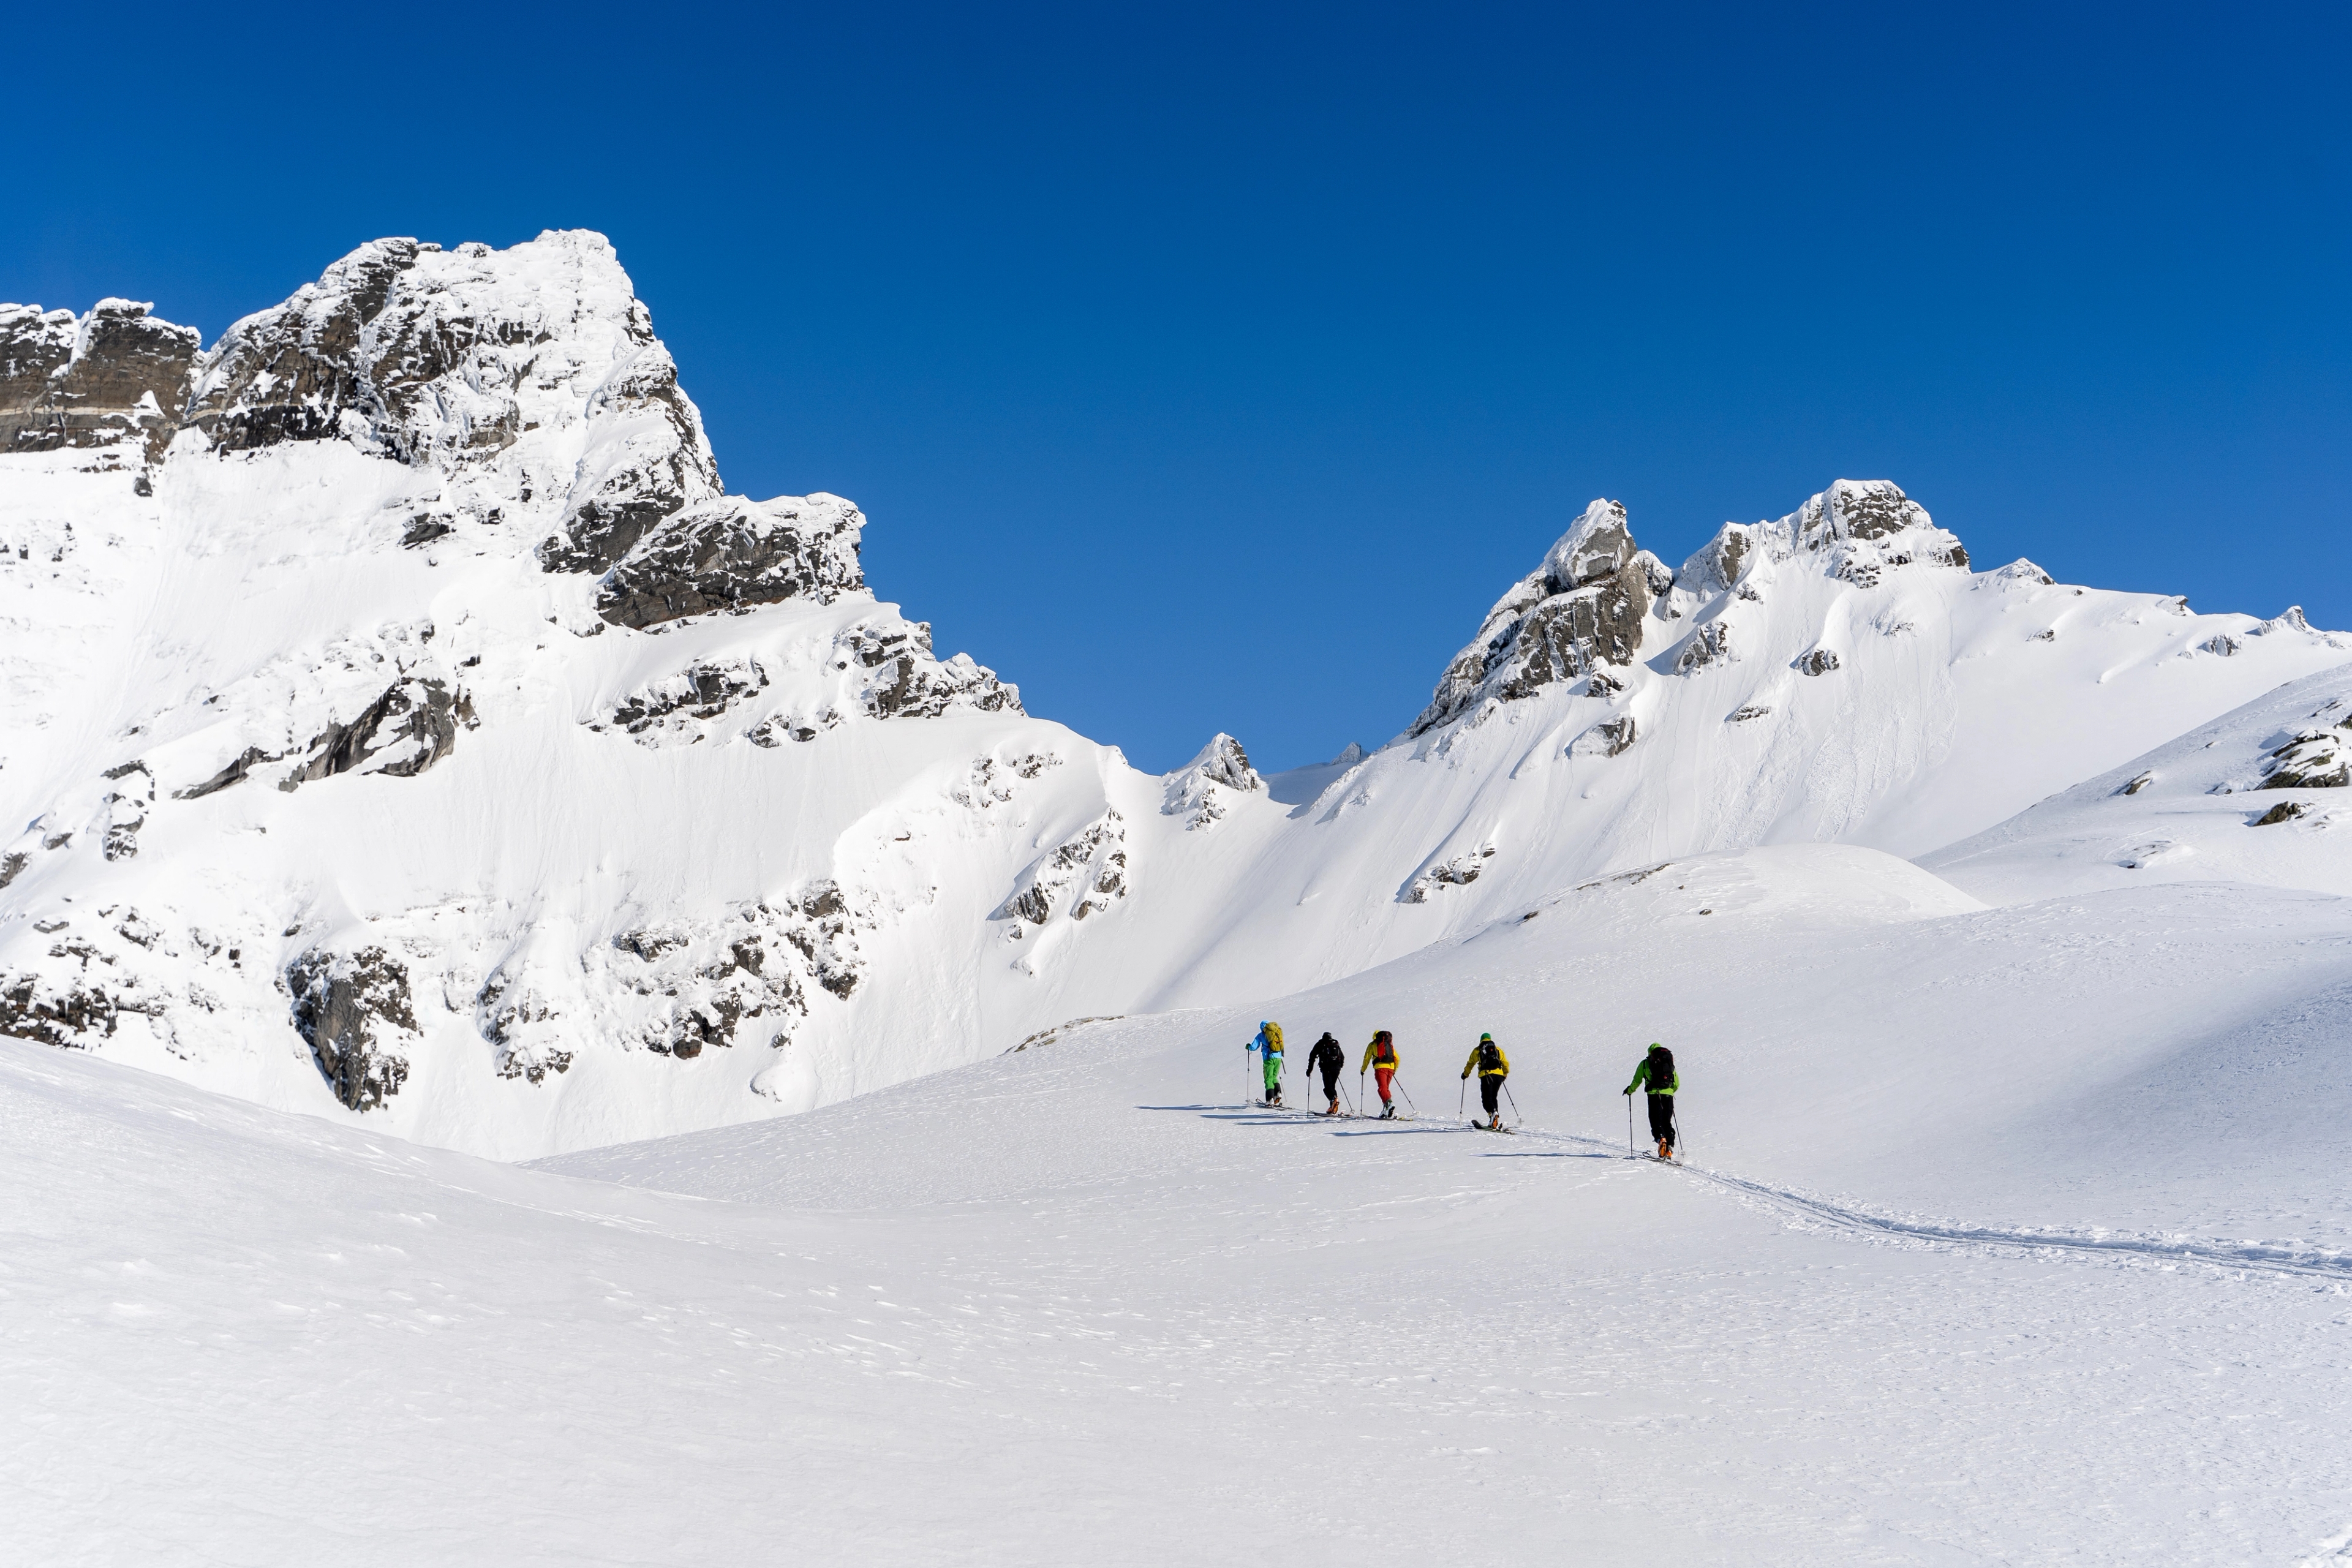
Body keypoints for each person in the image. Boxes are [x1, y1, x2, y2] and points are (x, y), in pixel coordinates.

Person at [1623, 1042, 1678, 1158]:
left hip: (1654, 1095)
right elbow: (1676, 1083)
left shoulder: (1645, 1064)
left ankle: (1661, 1139)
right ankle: (1670, 1148)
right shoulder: (1668, 1063)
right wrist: (1670, 1091)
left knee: (1655, 1120)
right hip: (1668, 1095)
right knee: (1666, 1121)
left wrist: (1630, 1091)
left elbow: (1637, 1080)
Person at [1459, 1031, 1510, 1129]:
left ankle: (1493, 1114)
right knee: (1494, 1097)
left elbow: (1471, 1063)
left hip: (1486, 1075)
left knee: (1486, 1098)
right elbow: (1505, 1063)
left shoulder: (1478, 1050)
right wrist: (1505, 1074)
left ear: (1481, 1040)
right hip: (1498, 1076)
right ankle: (1493, 1120)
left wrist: (1465, 1074)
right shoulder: (1498, 1049)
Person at [1360, 1030, 1401, 1118]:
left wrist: (1363, 1070)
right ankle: (1385, 1109)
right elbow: (1397, 1058)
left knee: (1382, 1089)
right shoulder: (1389, 1045)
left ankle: (1389, 1103)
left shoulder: (1372, 1045)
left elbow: (1367, 1058)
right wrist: (1394, 1070)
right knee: (1385, 1089)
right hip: (1390, 1068)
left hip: (1380, 1068)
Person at [1306, 1031, 1346, 1115]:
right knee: (1332, 1087)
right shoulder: (1335, 1043)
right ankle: (1332, 1106)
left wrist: (1310, 1069)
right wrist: (1339, 1066)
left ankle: (1334, 1100)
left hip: (1326, 1068)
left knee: (1327, 1088)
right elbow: (1342, 1056)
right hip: (1337, 1068)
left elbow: (1312, 1056)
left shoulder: (1321, 1043)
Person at [1250, 1020, 1285, 1106]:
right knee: (1274, 1077)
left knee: (1268, 1078)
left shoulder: (1261, 1035)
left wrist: (1248, 1047)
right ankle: (1278, 1093)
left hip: (1269, 1058)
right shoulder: (1276, 1033)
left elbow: (1253, 1047)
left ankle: (1270, 1099)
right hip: (1279, 1057)